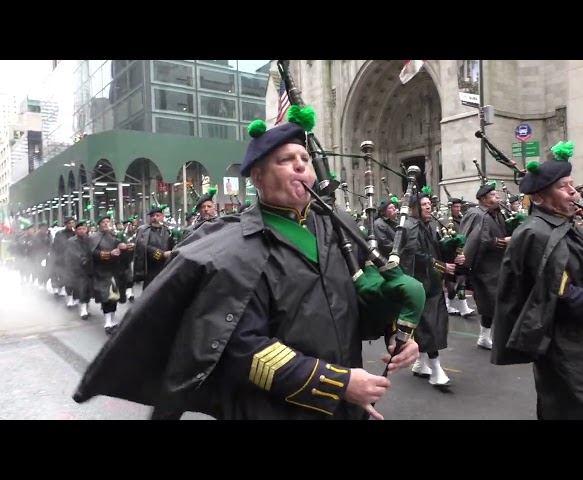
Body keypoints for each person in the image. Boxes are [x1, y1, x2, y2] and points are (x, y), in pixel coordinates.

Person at [73, 116, 419, 420]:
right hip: (268, 410)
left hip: (341, 407)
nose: (301, 165)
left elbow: (355, 304)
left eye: (305, 158)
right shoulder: (236, 246)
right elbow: (244, 349)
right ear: (258, 177)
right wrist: (339, 383)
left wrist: (395, 329)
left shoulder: (338, 226)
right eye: (286, 160)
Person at [491, 141, 583, 420]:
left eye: (572, 184)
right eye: (563, 187)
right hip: (570, 352)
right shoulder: (535, 234)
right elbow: (559, 295)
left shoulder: (570, 227)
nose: (573, 191)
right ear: (538, 198)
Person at [400, 189, 460, 387]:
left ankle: (420, 363)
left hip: (432, 284)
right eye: (424, 204)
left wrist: (452, 247)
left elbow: (435, 249)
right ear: (414, 208)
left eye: (429, 204)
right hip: (420, 285)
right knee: (429, 326)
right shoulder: (410, 227)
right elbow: (415, 256)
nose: (428, 207)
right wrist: (442, 266)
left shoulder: (429, 225)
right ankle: (436, 370)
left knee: (429, 325)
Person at [460, 182, 509, 349]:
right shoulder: (475, 214)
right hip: (483, 267)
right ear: (484, 199)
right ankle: (485, 336)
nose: (498, 198)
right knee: (489, 302)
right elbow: (474, 241)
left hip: (498, 265)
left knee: (495, 302)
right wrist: (503, 242)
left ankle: (485, 336)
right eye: (494, 195)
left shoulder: (496, 214)